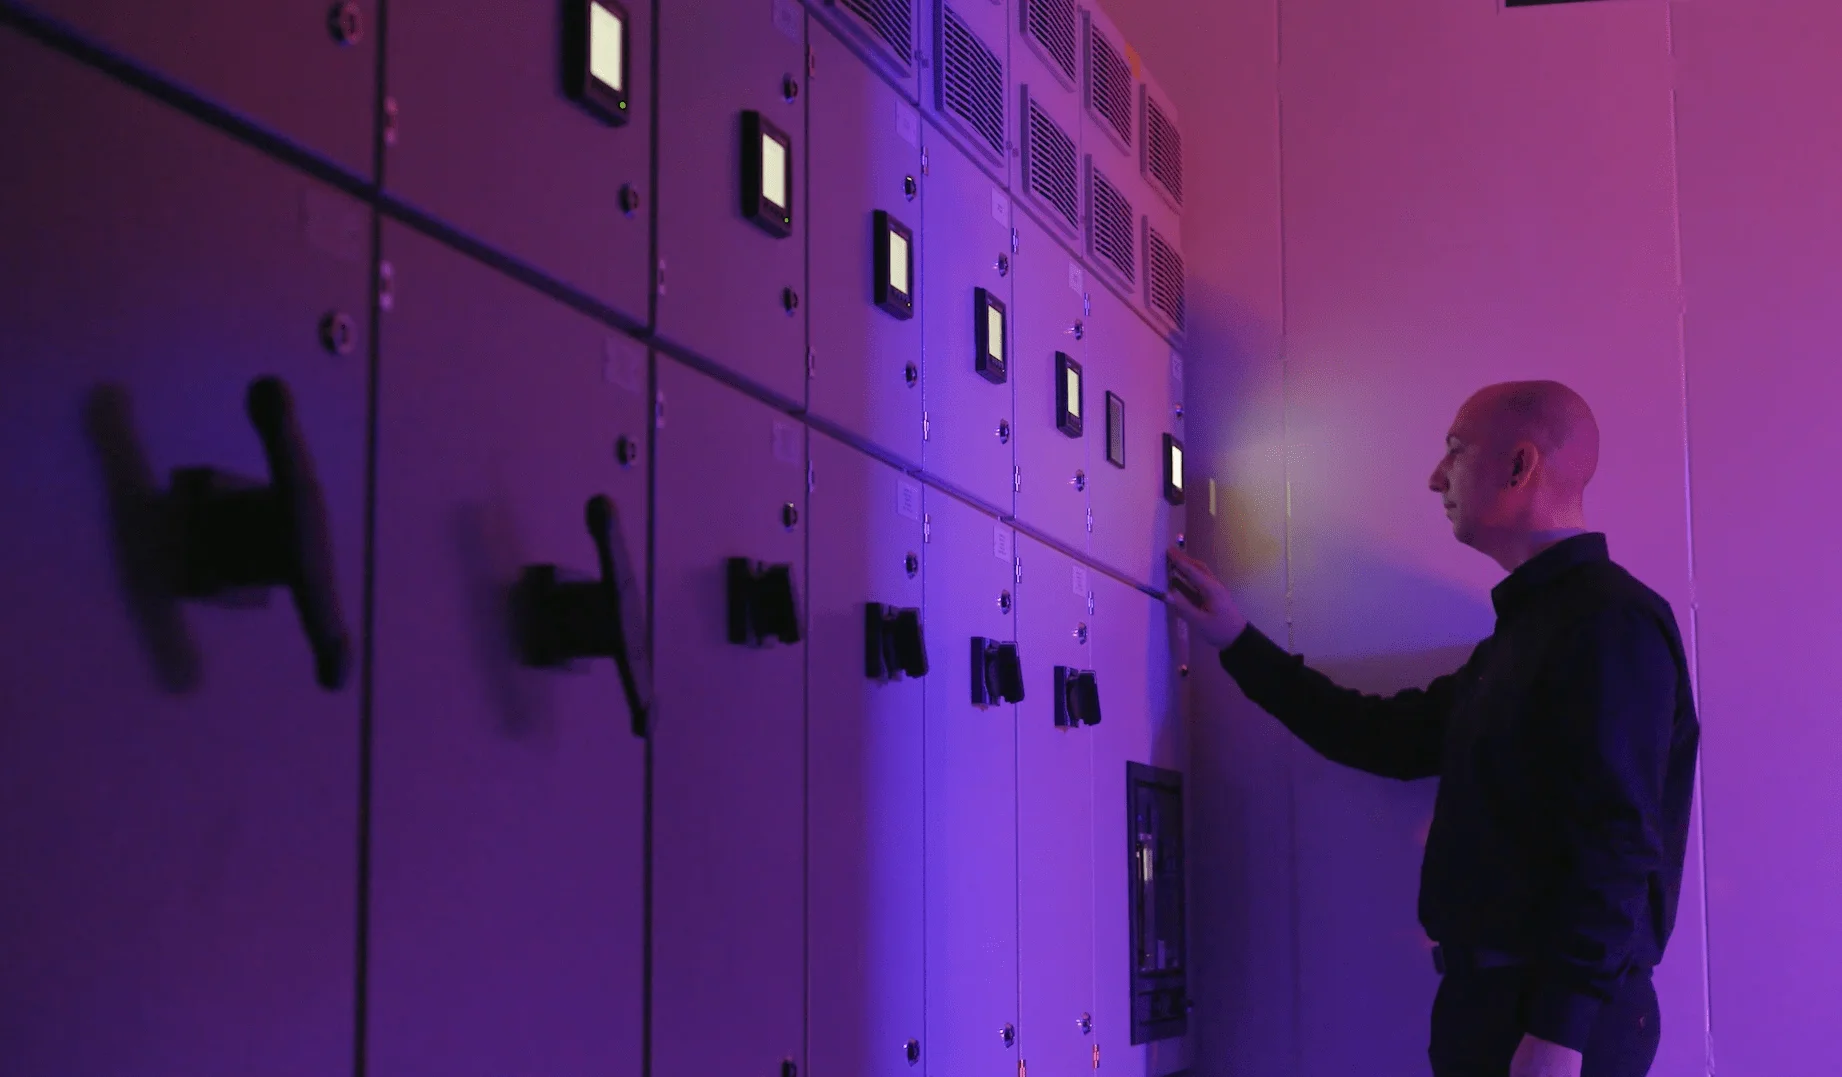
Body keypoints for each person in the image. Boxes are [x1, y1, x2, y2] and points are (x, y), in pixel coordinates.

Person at [1166, 381, 1700, 1077]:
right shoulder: (1531, 633)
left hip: (1549, 1020)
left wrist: (1560, 1033)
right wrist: (1237, 639)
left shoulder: (1608, 622)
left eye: (1455, 450)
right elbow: (1386, 735)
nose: (1435, 477)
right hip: (1501, 1006)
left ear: (1519, 465)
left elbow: (1618, 839)